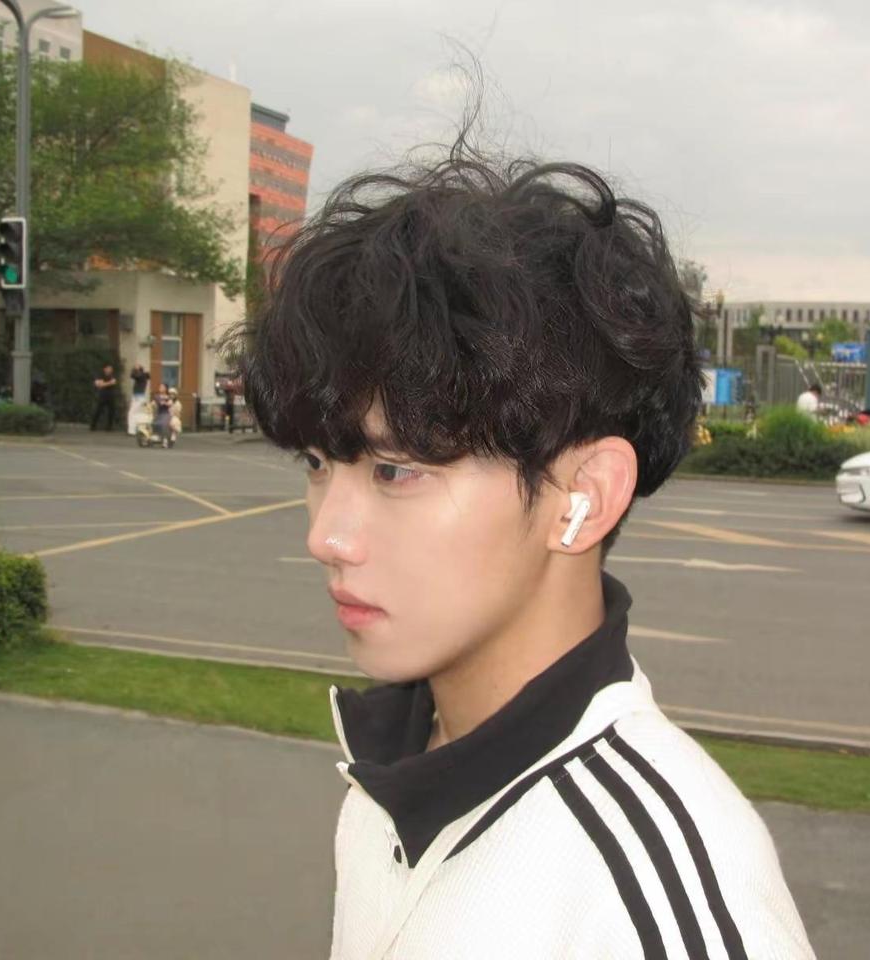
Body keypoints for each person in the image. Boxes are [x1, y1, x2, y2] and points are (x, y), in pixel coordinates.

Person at [241, 142, 816, 959]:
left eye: (394, 470)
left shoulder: (647, 907)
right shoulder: (393, 774)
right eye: (316, 463)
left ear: (584, 497)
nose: (324, 536)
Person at [90, 364, 117, 431]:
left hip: (111, 396)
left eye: (111, 369)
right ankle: (93, 426)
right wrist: (109, 383)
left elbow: (113, 382)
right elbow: (99, 385)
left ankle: (109, 427)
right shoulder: (100, 375)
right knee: (98, 410)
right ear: (105, 369)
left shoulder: (113, 376)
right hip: (102, 395)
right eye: (108, 368)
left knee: (111, 411)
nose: (110, 370)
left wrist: (104, 383)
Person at [128, 364, 151, 437]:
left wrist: (134, 368)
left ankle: (132, 431)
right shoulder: (142, 375)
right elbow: (133, 376)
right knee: (136, 413)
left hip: (138, 397)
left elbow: (132, 375)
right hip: (137, 397)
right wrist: (135, 369)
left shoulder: (142, 375)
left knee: (131, 413)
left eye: (137, 368)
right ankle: (137, 429)